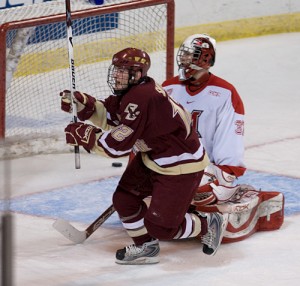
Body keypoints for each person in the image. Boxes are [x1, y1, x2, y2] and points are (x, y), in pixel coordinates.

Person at [60, 47, 229, 265]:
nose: (117, 75)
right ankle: (145, 247)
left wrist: (85, 135)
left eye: (124, 71)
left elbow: (116, 147)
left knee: (163, 228)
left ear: (138, 74)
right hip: (153, 157)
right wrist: (84, 105)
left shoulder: (142, 97)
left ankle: (208, 223)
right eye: (117, 69)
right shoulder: (133, 92)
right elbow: (113, 117)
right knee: (124, 200)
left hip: (180, 166)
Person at [162, 34, 284, 242]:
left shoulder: (226, 93)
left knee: (198, 191)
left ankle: (229, 201)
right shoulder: (168, 88)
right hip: (173, 166)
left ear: (205, 59)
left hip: (207, 170)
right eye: (183, 55)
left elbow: (230, 143)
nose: (183, 61)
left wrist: (225, 174)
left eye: (190, 56)